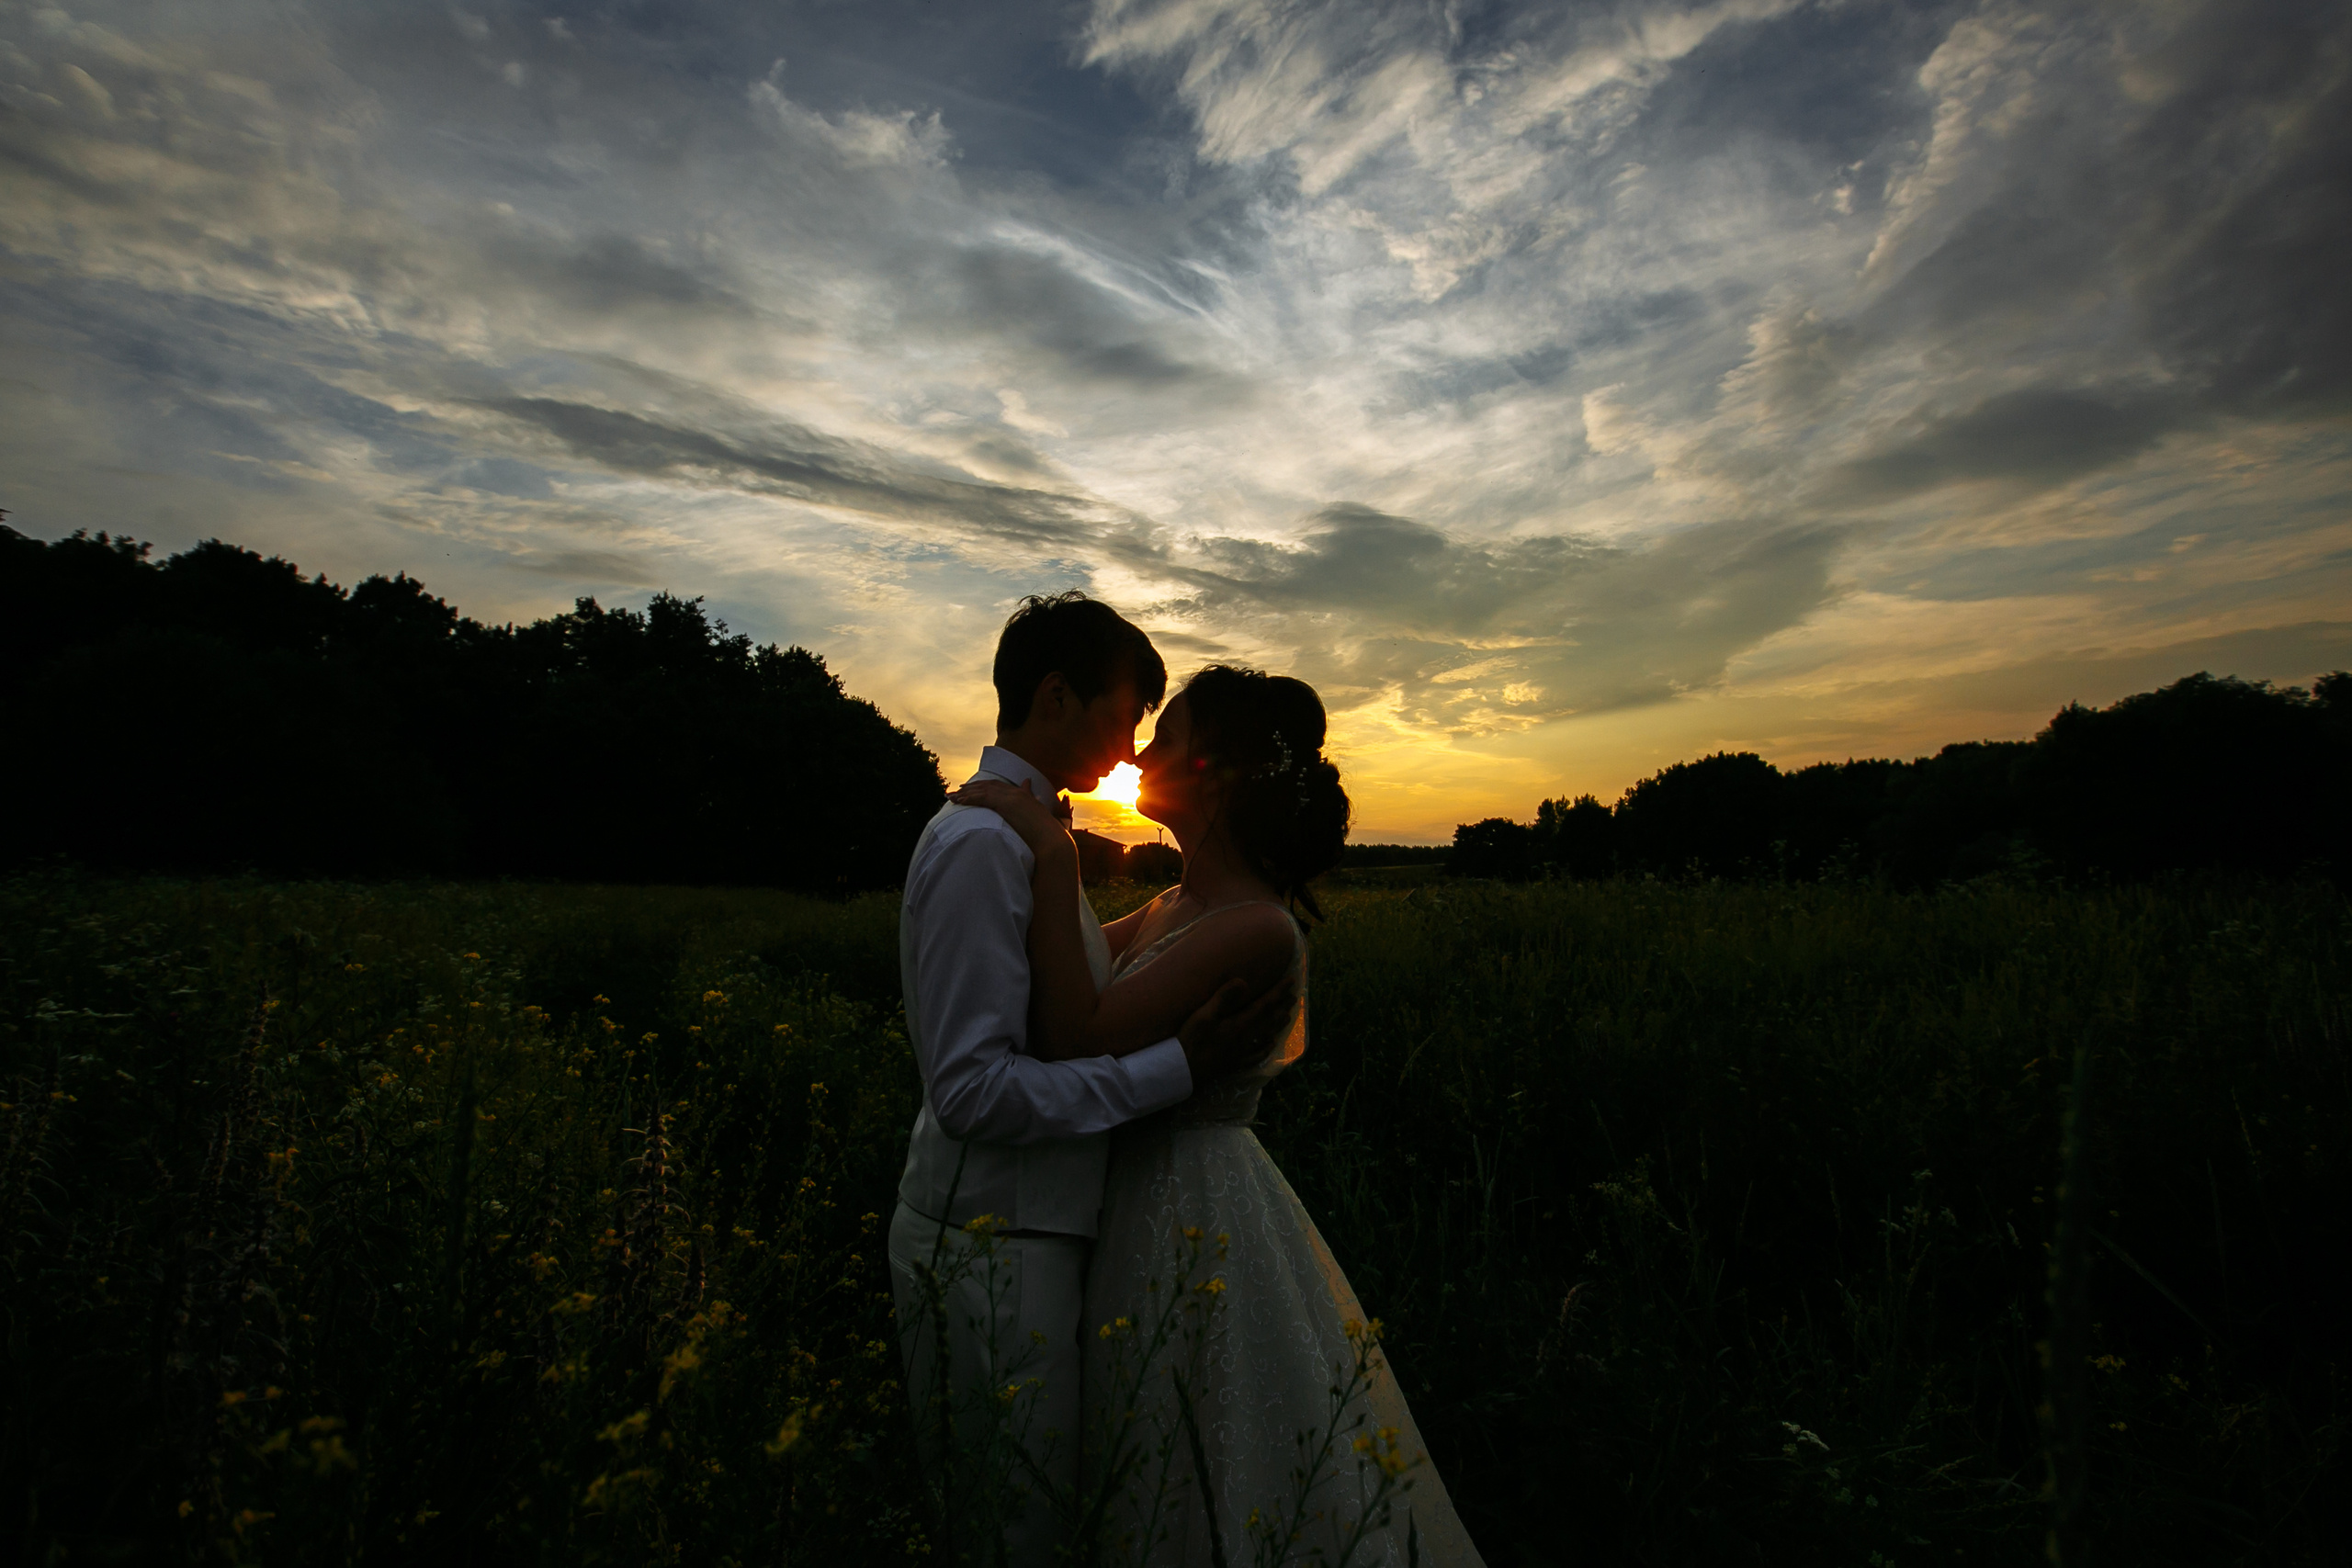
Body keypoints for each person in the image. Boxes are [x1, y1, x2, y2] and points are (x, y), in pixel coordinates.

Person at [952, 664, 1487, 1567]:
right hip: (1124, 1197)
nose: (1141, 752)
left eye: (1167, 737)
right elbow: (1065, 973)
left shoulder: (1255, 927)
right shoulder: (1173, 902)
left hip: (1188, 1212)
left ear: (1221, 772)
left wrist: (1052, 858)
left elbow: (1075, 1031)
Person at [887, 596, 1295, 1566]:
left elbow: (1081, 1004)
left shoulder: (1029, 841)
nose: (1133, 746)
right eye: (1128, 712)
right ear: (1057, 695)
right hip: (989, 1241)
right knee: (1014, 1535)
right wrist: (1175, 1070)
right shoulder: (990, 843)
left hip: (1029, 1237)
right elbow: (974, 1091)